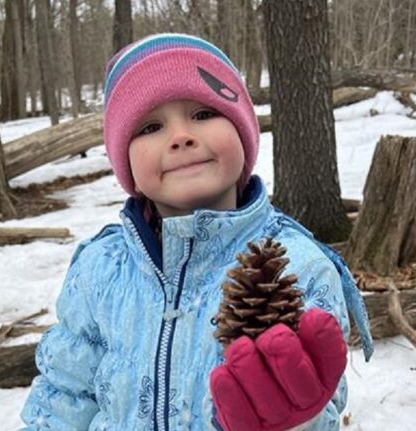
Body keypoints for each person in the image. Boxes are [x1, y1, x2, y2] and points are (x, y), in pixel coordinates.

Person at [21, 33, 373, 431]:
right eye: (151, 126)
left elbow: (318, 402)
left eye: (203, 114)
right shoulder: (99, 268)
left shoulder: (295, 266)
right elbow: (66, 393)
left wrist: (293, 423)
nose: (180, 136)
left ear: (242, 133)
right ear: (125, 162)